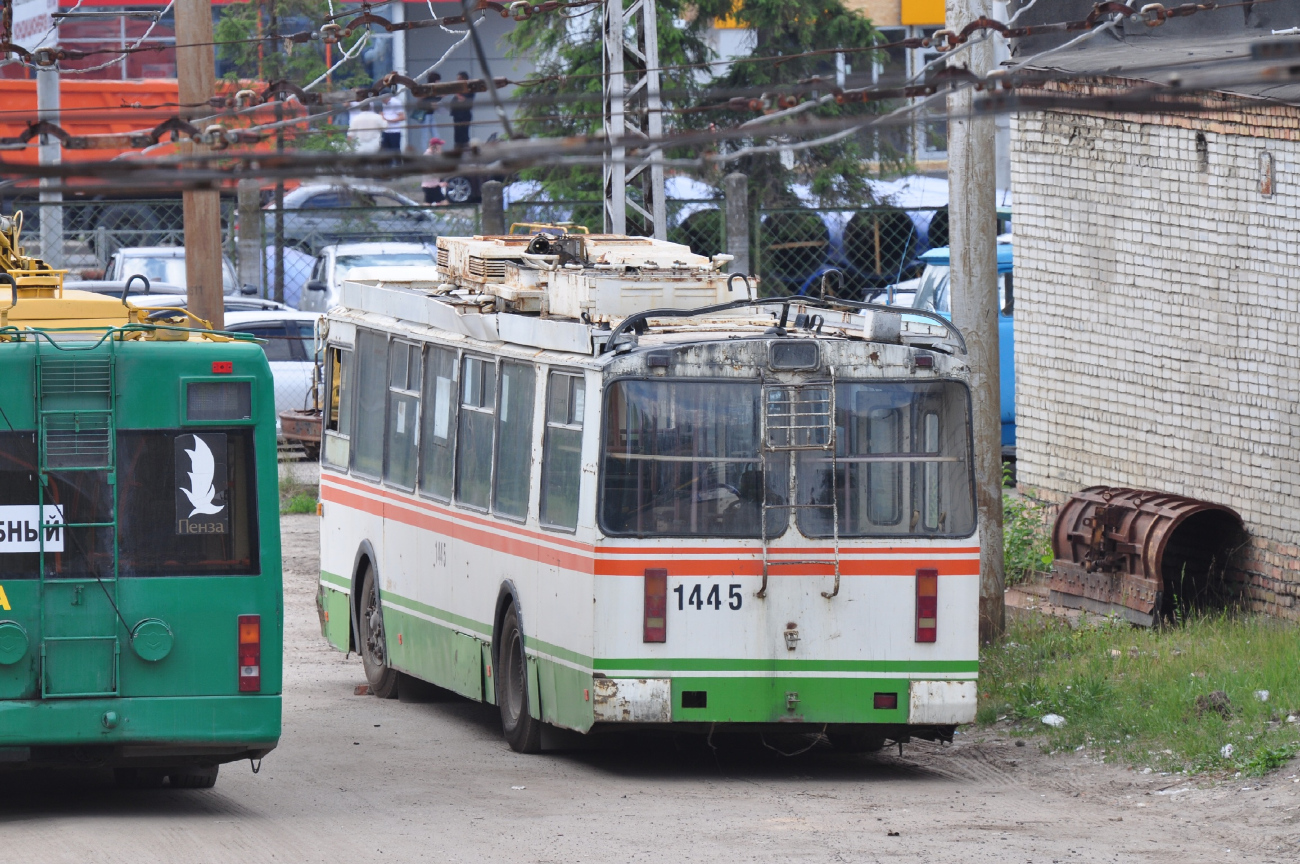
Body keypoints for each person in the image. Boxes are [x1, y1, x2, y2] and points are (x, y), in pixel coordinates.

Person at [449, 71, 475, 150]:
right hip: (457, 115)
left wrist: (456, 93)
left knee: (463, 134)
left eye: (459, 79)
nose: (457, 81)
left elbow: (463, 100)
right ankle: (458, 149)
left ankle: (464, 149)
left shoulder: (468, 89)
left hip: (464, 115)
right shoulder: (459, 90)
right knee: (457, 135)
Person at [421, 139, 448, 206]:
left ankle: (425, 215)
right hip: (432, 185)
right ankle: (439, 216)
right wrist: (439, 183)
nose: (440, 147)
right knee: (443, 203)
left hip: (428, 185)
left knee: (428, 203)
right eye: (439, 146)